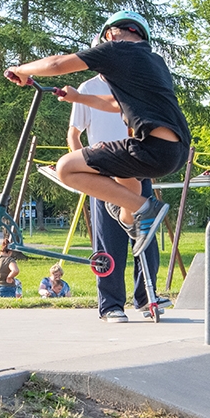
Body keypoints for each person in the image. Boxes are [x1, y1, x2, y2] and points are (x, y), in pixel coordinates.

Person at [5, 11, 191, 258]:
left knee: (66, 168)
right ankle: (135, 221)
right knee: (126, 194)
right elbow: (116, 103)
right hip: (176, 152)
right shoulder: (155, 62)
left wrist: (21, 69)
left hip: (152, 148)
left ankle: (146, 209)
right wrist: (79, 98)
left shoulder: (115, 49)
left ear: (110, 34)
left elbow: (56, 64)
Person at [69, 73, 172, 322]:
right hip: (104, 172)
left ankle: (146, 298)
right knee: (108, 243)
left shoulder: (133, 83)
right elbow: (73, 136)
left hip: (136, 168)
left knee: (146, 234)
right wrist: (84, 167)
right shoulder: (88, 88)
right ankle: (111, 305)